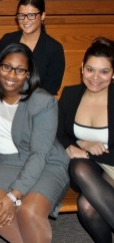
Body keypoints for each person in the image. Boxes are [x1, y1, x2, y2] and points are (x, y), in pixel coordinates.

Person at [0, 43, 69, 242]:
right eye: (6, 67)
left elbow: (39, 155)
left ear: (28, 73)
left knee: (29, 212)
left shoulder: (43, 102)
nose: (11, 75)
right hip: (4, 161)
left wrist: (13, 195)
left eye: (20, 70)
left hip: (45, 163)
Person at [57, 37, 114, 242]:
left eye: (104, 71)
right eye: (90, 69)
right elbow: (58, 134)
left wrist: (87, 152)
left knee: (87, 205)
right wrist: (80, 144)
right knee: (79, 166)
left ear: (113, 73)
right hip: (88, 171)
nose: (95, 77)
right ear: (82, 67)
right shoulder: (71, 94)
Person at [0, 0, 65, 95]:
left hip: (38, 105)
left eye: (31, 15)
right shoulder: (7, 40)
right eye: (21, 15)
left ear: (42, 16)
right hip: (7, 99)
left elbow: (51, 89)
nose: (25, 20)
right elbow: (0, 76)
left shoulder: (54, 49)